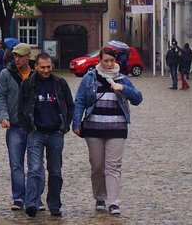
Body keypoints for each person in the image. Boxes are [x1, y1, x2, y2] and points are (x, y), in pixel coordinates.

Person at [72, 46, 144, 217]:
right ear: (100, 61)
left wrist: (123, 89)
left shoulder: (122, 79)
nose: (109, 64)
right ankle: (100, 197)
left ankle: (113, 202)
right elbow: (80, 100)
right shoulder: (90, 78)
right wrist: (76, 122)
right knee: (97, 166)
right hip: (94, 128)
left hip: (117, 128)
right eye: (106, 61)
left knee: (113, 166)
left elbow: (138, 99)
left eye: (112, 61)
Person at [18, 53, 74, 218]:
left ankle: (54, 205)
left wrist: (65, 126)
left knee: (55, 171)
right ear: (35, 66)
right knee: (34, 169)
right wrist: (28, 127)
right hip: (36, 132)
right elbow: (20, 109)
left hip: (56, 133)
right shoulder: (28, 84)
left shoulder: (60, 83)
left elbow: (70, 105)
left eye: (48, 67)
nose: (46, 70)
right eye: (42, 67)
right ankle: (32, 204)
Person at [0, 43, 34, 211]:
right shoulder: (6, 74)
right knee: (16, 164)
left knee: (35, 165)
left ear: (28, 57)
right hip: (15, 125)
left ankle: (34, 197)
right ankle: (18, 197)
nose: (17, 59)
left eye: (20, 56)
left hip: (34, 126)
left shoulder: (35, 74)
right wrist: (3, 116)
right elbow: (1, 97)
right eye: (15, 56)